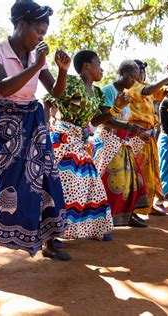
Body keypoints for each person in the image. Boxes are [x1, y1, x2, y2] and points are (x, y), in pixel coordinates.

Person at [0, 1, 72, 281]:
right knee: (6, 183)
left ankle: (49, 242)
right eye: (38, 31)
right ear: (22, 25)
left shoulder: (35, 56)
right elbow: (2, 88)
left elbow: (55, 91)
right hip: (7, 121)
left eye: (44, 33)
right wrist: (38, 64)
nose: (41, 37)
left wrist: (62, 69)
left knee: (45, 180)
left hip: (33, 119)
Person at [46, 50, 128, 241]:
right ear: (87, 66)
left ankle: (95, 227)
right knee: (66, 187)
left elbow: (97, 120)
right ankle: (52, 234)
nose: (101, 68)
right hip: (64, 139)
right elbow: (50, 99)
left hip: (80, 142)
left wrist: (115, 108)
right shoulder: (73, 83)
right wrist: (43, 130)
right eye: (98, 64)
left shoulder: (97, 93)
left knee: (92, 184)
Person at [92, 60, 149, 228]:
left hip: (121, 142)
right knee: (112, 181)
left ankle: (127, 214)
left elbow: (124, 121)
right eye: (131, 76)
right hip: (108, 141)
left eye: (136, 78)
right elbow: (105, 119)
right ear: (121, 72)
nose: (133, 81)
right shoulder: (108, 91)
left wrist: (137, 132)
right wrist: (130, 127)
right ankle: (104, 218)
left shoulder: (125, 94)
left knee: (133, 179)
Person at [126, 57, 168, 215]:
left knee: (151, 170)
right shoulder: (133, 87)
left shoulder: (146, 87)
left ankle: (147, 205)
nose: (141, 74)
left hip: (149, 135)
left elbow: (167, 92)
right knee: (139, 171)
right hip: (137, 135)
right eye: (139, 71)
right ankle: (134, 209)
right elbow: (149, 91)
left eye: (142, 71)